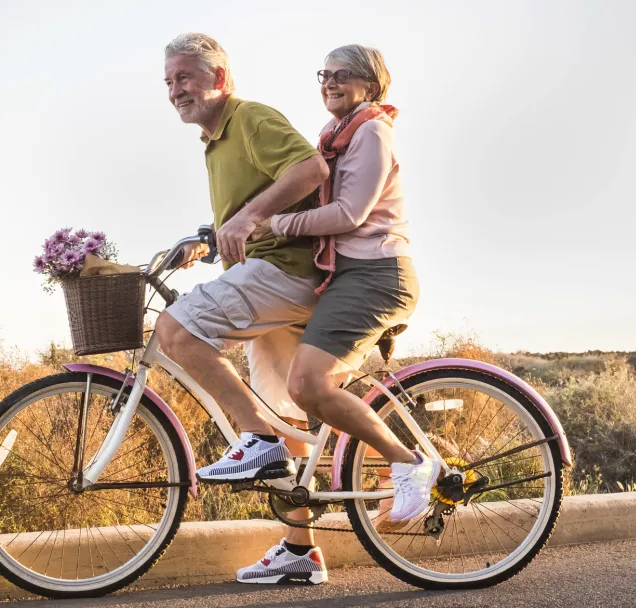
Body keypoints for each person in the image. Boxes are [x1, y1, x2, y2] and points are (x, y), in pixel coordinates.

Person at [234, 44, 432, 586]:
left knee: (309, 385)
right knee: (292, 404)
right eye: (324, 74)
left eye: (343, 74)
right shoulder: (334, 137)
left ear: (372, 84)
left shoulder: (371, 131)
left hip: (376, 276)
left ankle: (408, 460)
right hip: (345, 278)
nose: (330, 82)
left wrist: (273, 224)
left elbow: (349, 213)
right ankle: (299, 548)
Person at [153, 33, 330, 582]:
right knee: (290, 424)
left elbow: (310, 170)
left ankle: (255, 436)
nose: (175, 90)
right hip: (264, 278)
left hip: (285, 272)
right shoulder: (213, 141)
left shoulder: (249, 117)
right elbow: (243, 210)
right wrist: (209, 237)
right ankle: (301, 551)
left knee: (174, 329)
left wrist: (249, 218)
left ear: (219, 78)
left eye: (184, 77)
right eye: (168, 82)